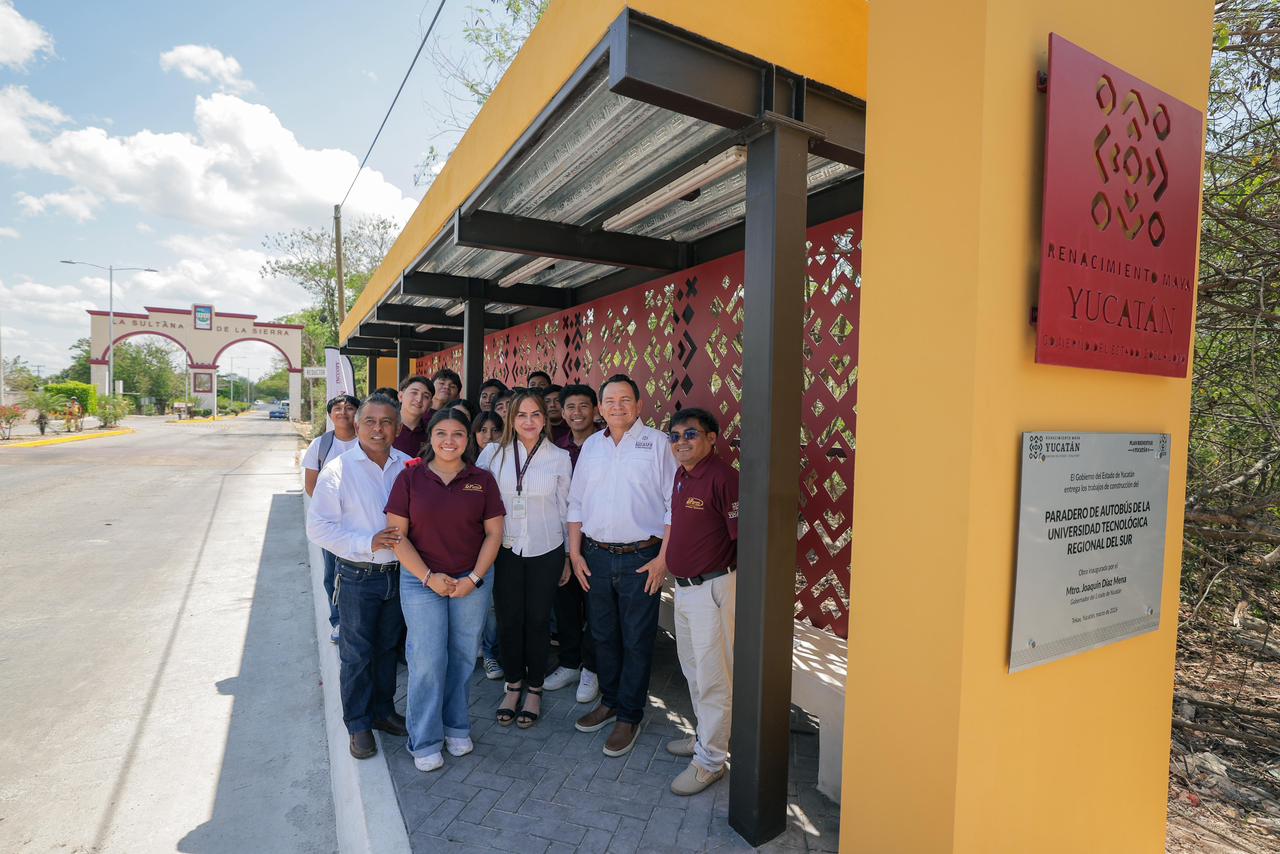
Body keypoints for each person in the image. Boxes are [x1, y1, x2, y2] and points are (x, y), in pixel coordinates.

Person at [386, 409, 504, 772]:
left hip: (471, 581)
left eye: (457, 434)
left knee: (463, 656)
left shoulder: (481, 480)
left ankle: (456, 725)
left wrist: (474, 579)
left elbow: (494, 534)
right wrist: (427, 577)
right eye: (441, 433)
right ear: (431, 437)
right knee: (426, 660)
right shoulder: (410, 478)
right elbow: (396, 537)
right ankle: (423, 738)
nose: (449, 441)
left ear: (467, 439)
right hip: (422, 581)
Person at [568, 374, 677, 757]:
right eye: (610, 401)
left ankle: (630, 714)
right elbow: (577, 502)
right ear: (600, 408)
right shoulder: (592, 448)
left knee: (636, 638)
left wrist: (664, 558)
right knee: (603, 634)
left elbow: (672, 505)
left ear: (639, 404)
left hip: (642, 559)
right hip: (595, 555)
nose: (617, 407)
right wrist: (575, 553)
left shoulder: (658, 444)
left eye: (625, 399)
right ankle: (610, 700)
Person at [305, 393, 410, 759]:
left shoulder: (409, 467)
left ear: (397, 427)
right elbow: (318, 528)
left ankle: (383, 711)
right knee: (356, 653)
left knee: (386, 650)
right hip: (356, 576)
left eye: (386, 422)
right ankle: (358, 724)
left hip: (399, 576)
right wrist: (368, 542)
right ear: (357, 424)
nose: (378, 429)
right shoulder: (338, 469)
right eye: (370, 421)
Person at [477, 390, 572, 729]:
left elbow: (566, 509)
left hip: (546, 549)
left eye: (535, 414)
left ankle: (534, 687)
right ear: (510, 419)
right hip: (504, 550)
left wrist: (566, 556)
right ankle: (513, 683)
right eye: (521, 415)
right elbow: (478, 503)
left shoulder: (559, 457)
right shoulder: (492, 454)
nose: (528, 421)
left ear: (545, 418)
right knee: (508, 619)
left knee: (537, 620)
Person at [662, 408, 739, 795]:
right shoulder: (682, 474)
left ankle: (711, 761)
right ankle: (704, 738)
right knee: (693, 670)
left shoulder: (724, 478)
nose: (681, 442)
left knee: (712, 677)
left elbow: (743, 538)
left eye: (690, 434)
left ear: (712, 438)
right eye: (674, 436)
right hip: (685, 589)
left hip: (713, 590)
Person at [545, 383, 602, 701]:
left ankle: (591, 670)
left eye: (584, 406)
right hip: (563, 538)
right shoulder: (557, 447)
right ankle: (569, 663)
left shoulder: (606, 444)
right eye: (571, 407)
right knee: (565, 603)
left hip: (597, 538)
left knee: (595, 606)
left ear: (595, 409)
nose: (577, 413)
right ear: (562, 412)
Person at [303, 394, 361, 643]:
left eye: (349, 408)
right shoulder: (321, 444)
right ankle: (338, 621)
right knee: (333, 574)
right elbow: (311, 486)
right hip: (333, 525)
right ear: (330, 415)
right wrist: (335, 510)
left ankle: (357, 620)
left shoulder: (366, 442)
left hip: (362, 521)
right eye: (337, 408)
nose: (343, 412)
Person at [471, 409, 505, 680]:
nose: (489, 436)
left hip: (496, 540)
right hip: (470, 541)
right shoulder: (461, 459)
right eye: (482, 430)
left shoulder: (502, 456)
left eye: (495, 430)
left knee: (493, 603)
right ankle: (472, 648)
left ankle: (490, 653)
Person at [393, 376, 432, 457]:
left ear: (430, 405)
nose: (419, 399)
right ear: (400, 396)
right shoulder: (386, 426)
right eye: (414, 393)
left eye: (426, 396)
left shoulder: (431, 432)